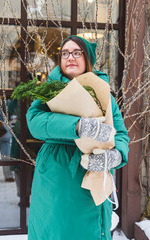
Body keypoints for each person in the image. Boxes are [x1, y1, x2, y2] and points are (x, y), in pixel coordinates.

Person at [26, 35, 130, 240]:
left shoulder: (103, 93)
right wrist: (78, 126)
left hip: (94, 170)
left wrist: (116, 155)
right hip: (57, 170)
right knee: (57, 228)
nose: (69, 57)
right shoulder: (50, 88)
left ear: (87, 58)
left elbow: (120, 133)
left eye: (76, 52)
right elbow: (35, 121)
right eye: (65, 53)